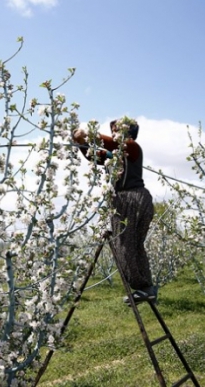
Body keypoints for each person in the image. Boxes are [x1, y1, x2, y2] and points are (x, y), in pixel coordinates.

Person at [73, 117, 157, 305]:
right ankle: (147, 288)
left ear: (127, 133)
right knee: (134, 245)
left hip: (131, 199)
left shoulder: (132, 147)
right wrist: (81, 143)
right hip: (132, 200)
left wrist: (87, 134)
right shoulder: (116, 154)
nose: (112, 135)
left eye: (116, 131)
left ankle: (142, 287)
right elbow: (94, 156)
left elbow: (110, 143)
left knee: (125, 246)